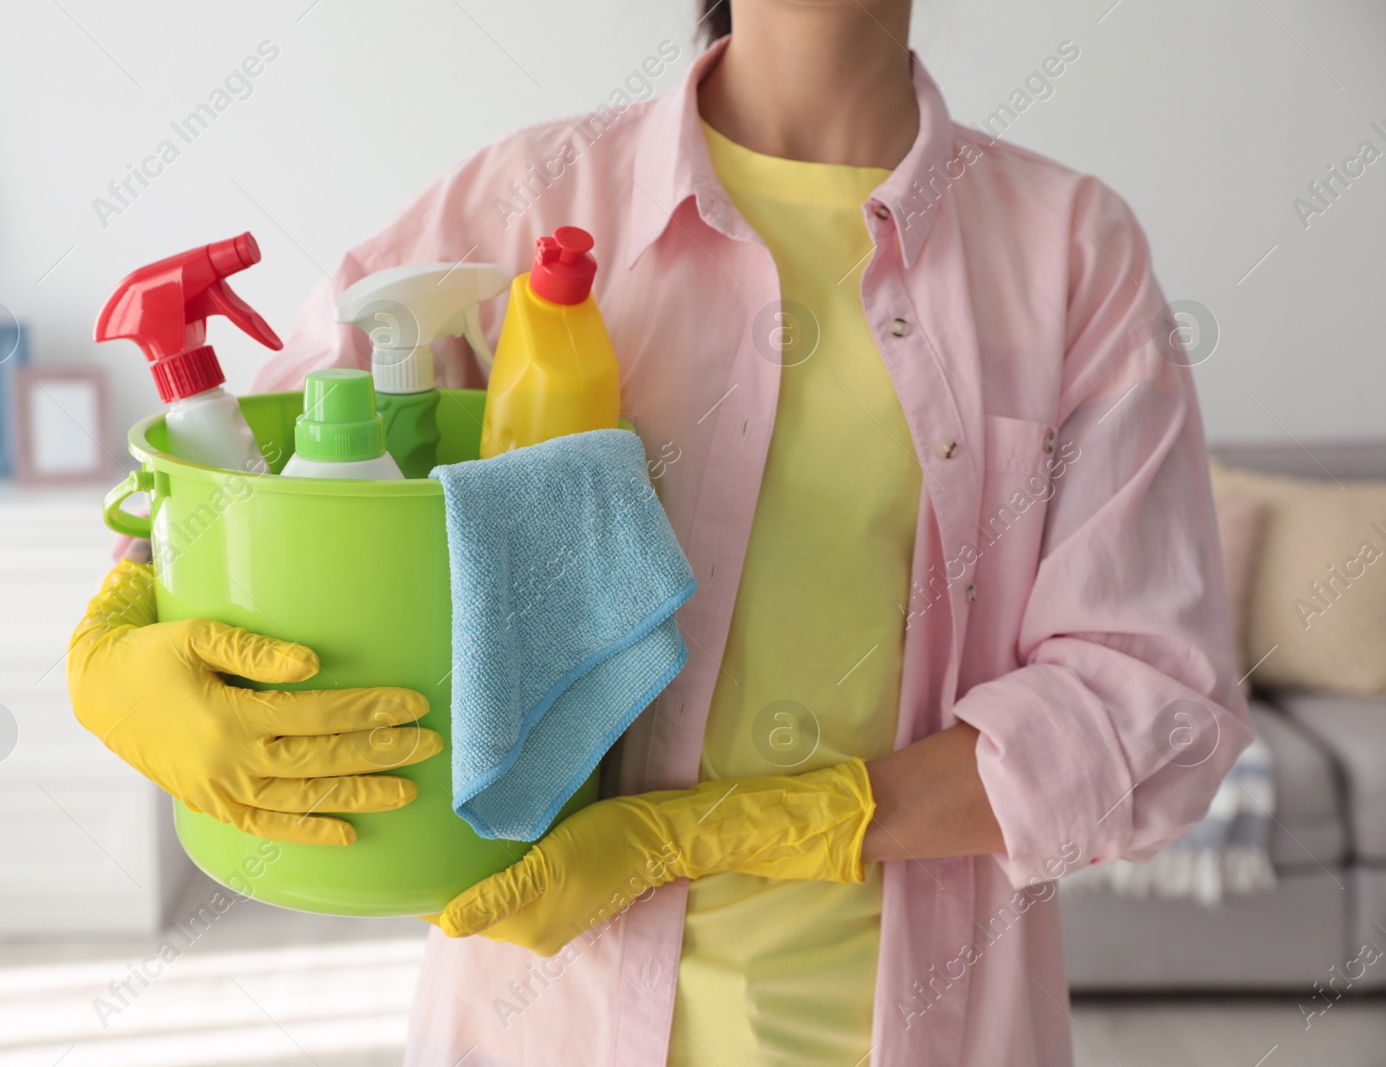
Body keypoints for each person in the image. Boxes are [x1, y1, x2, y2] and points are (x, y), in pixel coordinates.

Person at [68, 1, 1251, 1063]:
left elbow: (1145, 701)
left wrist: (720, 830)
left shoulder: (1066, 249)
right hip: (550, 1016)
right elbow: (265, 487)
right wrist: (113, 641)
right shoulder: (527, 201)